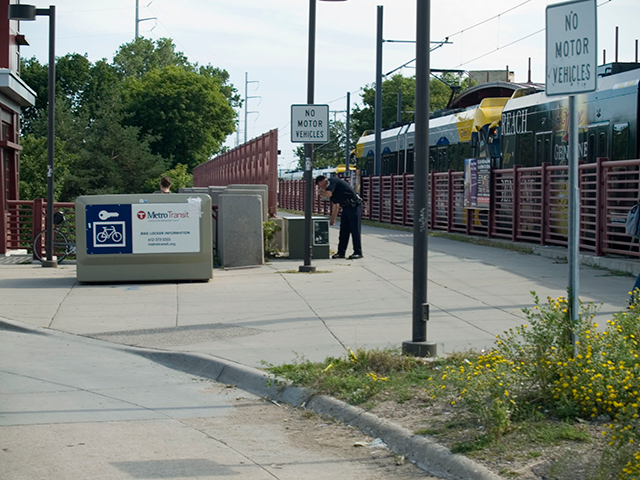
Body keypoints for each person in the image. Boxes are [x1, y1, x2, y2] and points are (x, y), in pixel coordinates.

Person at [315, 174, 363, 260]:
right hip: (345, 207)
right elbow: (335, 205)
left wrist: (321, 192)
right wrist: (332, 220)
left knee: (355, 230)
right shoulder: (334, 191)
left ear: (322, 182)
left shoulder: (332, 181)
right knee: (343, 231)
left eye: (320, 186)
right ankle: (341, 252)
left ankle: (358, 252)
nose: (321, 188)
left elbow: (328, 194)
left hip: (354, 206)